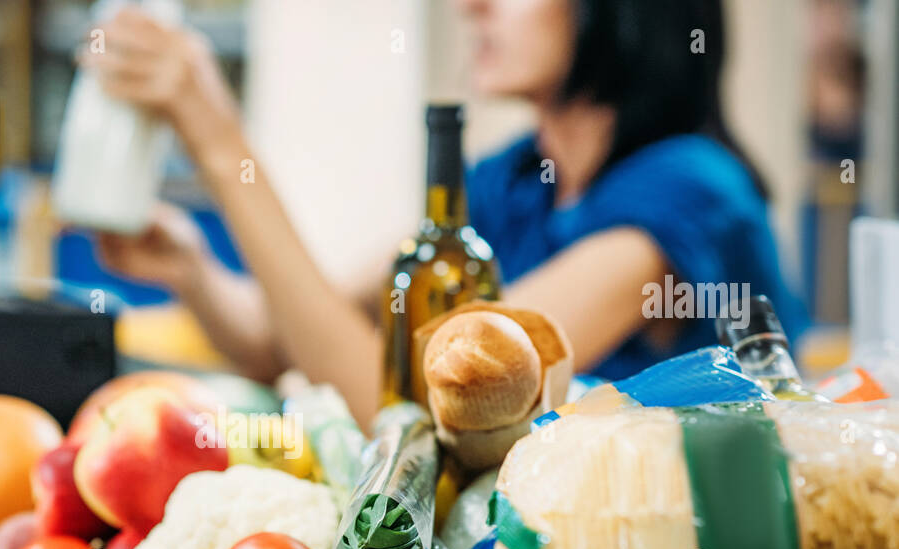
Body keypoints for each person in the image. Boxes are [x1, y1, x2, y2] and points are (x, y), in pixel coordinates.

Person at [85, 0, 808, 424]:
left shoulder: (692, 191)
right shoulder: (516, 179)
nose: (473, 7)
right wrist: (194, 272)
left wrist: (219, 143)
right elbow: (289, 340)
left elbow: (425, 411)